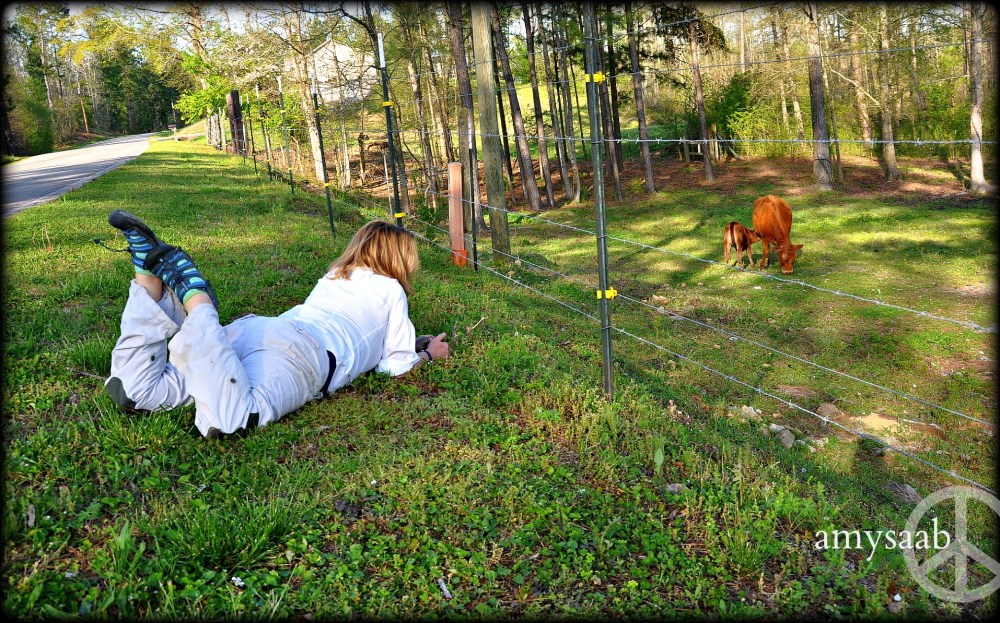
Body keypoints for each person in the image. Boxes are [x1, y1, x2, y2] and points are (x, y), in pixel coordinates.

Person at [100, 211, 450, 438]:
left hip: (258, 331)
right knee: (233, 420)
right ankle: (195, 297)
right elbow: (394, 366)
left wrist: (411, 341)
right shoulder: (391, 288)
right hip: (299, 356)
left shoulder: (334, 275)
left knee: (140, 393)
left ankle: (147, 280)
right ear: (401, 260)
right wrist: (430, 355)